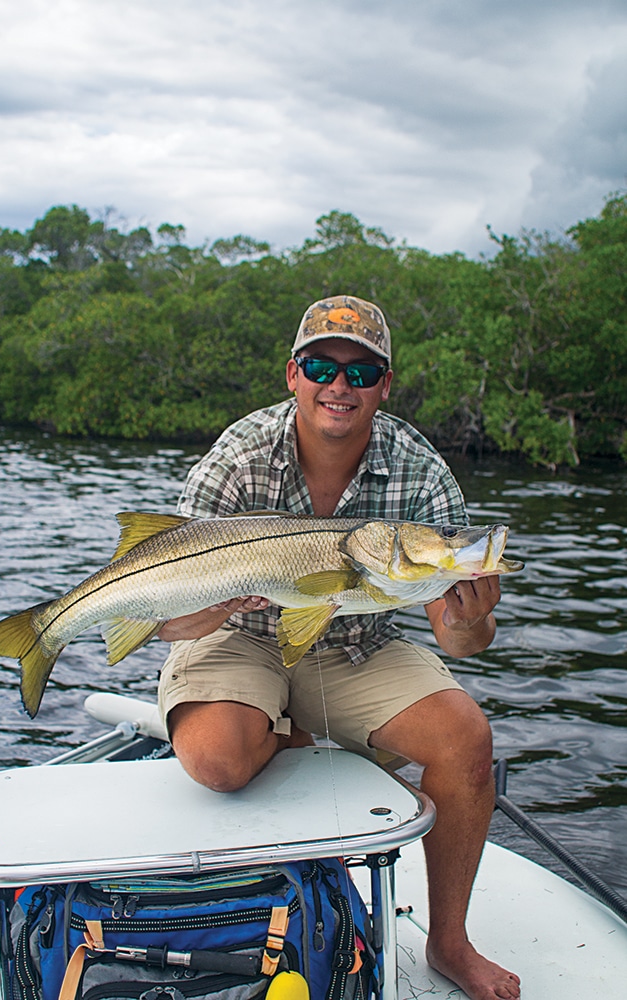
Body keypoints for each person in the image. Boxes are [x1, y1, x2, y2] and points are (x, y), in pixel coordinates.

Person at [157, 295, 521, 1000]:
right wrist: (206, 608)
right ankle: (291, 736)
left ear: (384, 385)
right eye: (322, 365)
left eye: (361, 372)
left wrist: (472, 617)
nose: (339, 385)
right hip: (241, 636)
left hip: (357, 641)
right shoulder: (238, 454)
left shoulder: (419, 471)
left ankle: (448, 941)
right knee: (216, 760)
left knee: (465, 739)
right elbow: (173, 618)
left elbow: (459, 637)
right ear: (292, 373)